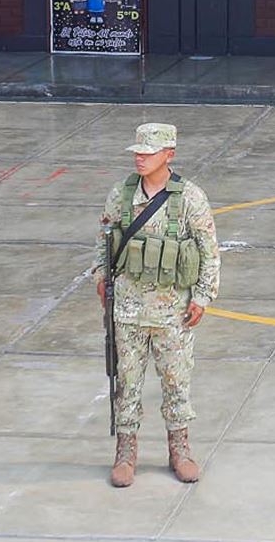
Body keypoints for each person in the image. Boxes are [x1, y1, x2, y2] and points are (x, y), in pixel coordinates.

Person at [94, 123, 220, 488]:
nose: (140, 158)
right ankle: (125, 452)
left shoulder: (190, 199)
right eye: (137, 152)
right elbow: (103, 241)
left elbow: (209, 252)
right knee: (127, 383)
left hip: (172, 312)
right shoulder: (121, 194)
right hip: (128, 309)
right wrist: (101, 277)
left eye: (148, 153)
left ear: (169, 154)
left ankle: (180, 449)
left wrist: (202, 297)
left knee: (176, 381)